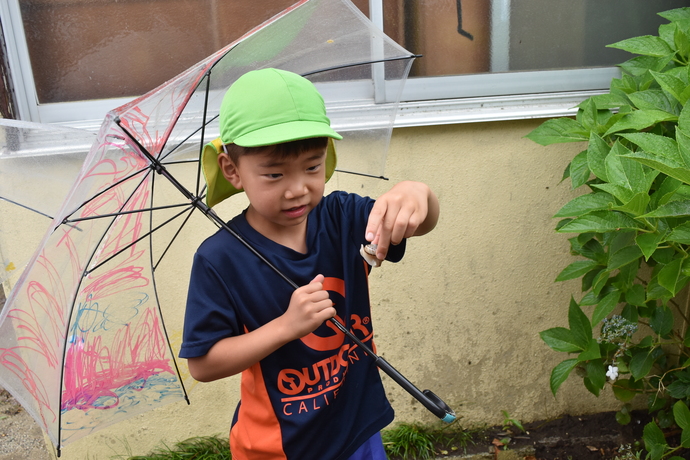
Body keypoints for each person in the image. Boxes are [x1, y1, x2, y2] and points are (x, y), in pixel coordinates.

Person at [179, 68, 439, 460]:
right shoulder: (220, 258)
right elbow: (203, 362)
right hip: (280, 446)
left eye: (313, 167)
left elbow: (419, 224)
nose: (298, 187)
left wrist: (417, 194)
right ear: (232, 170)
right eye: (274, 174)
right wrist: (287, 327)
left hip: (357, 429)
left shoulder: (341, 217)